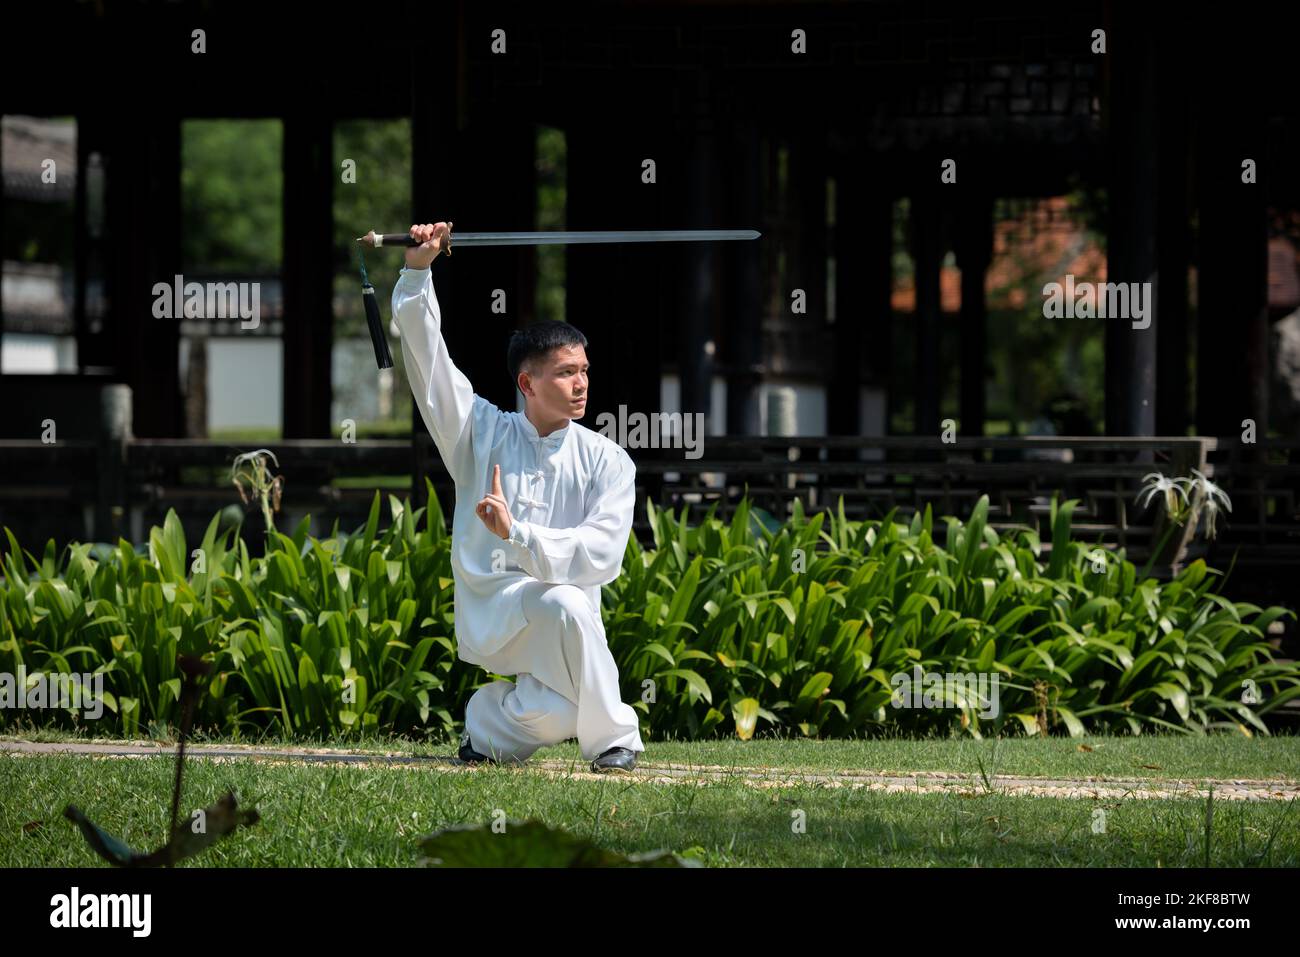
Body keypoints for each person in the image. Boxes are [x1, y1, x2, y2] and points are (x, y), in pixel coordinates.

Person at [391, 221, 644, 774]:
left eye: (584, 371)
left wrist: (520, 533)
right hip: (496, 606)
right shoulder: (479, 434)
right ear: (527, 384)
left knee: (559, 706)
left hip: (566, 622)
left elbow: (601, 556)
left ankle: (486, 725)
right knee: (566, 600)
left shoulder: (609, 460)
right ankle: (614, 742)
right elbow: (431, 367)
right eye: (564, 374)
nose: (580, 384)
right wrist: (417, 271)